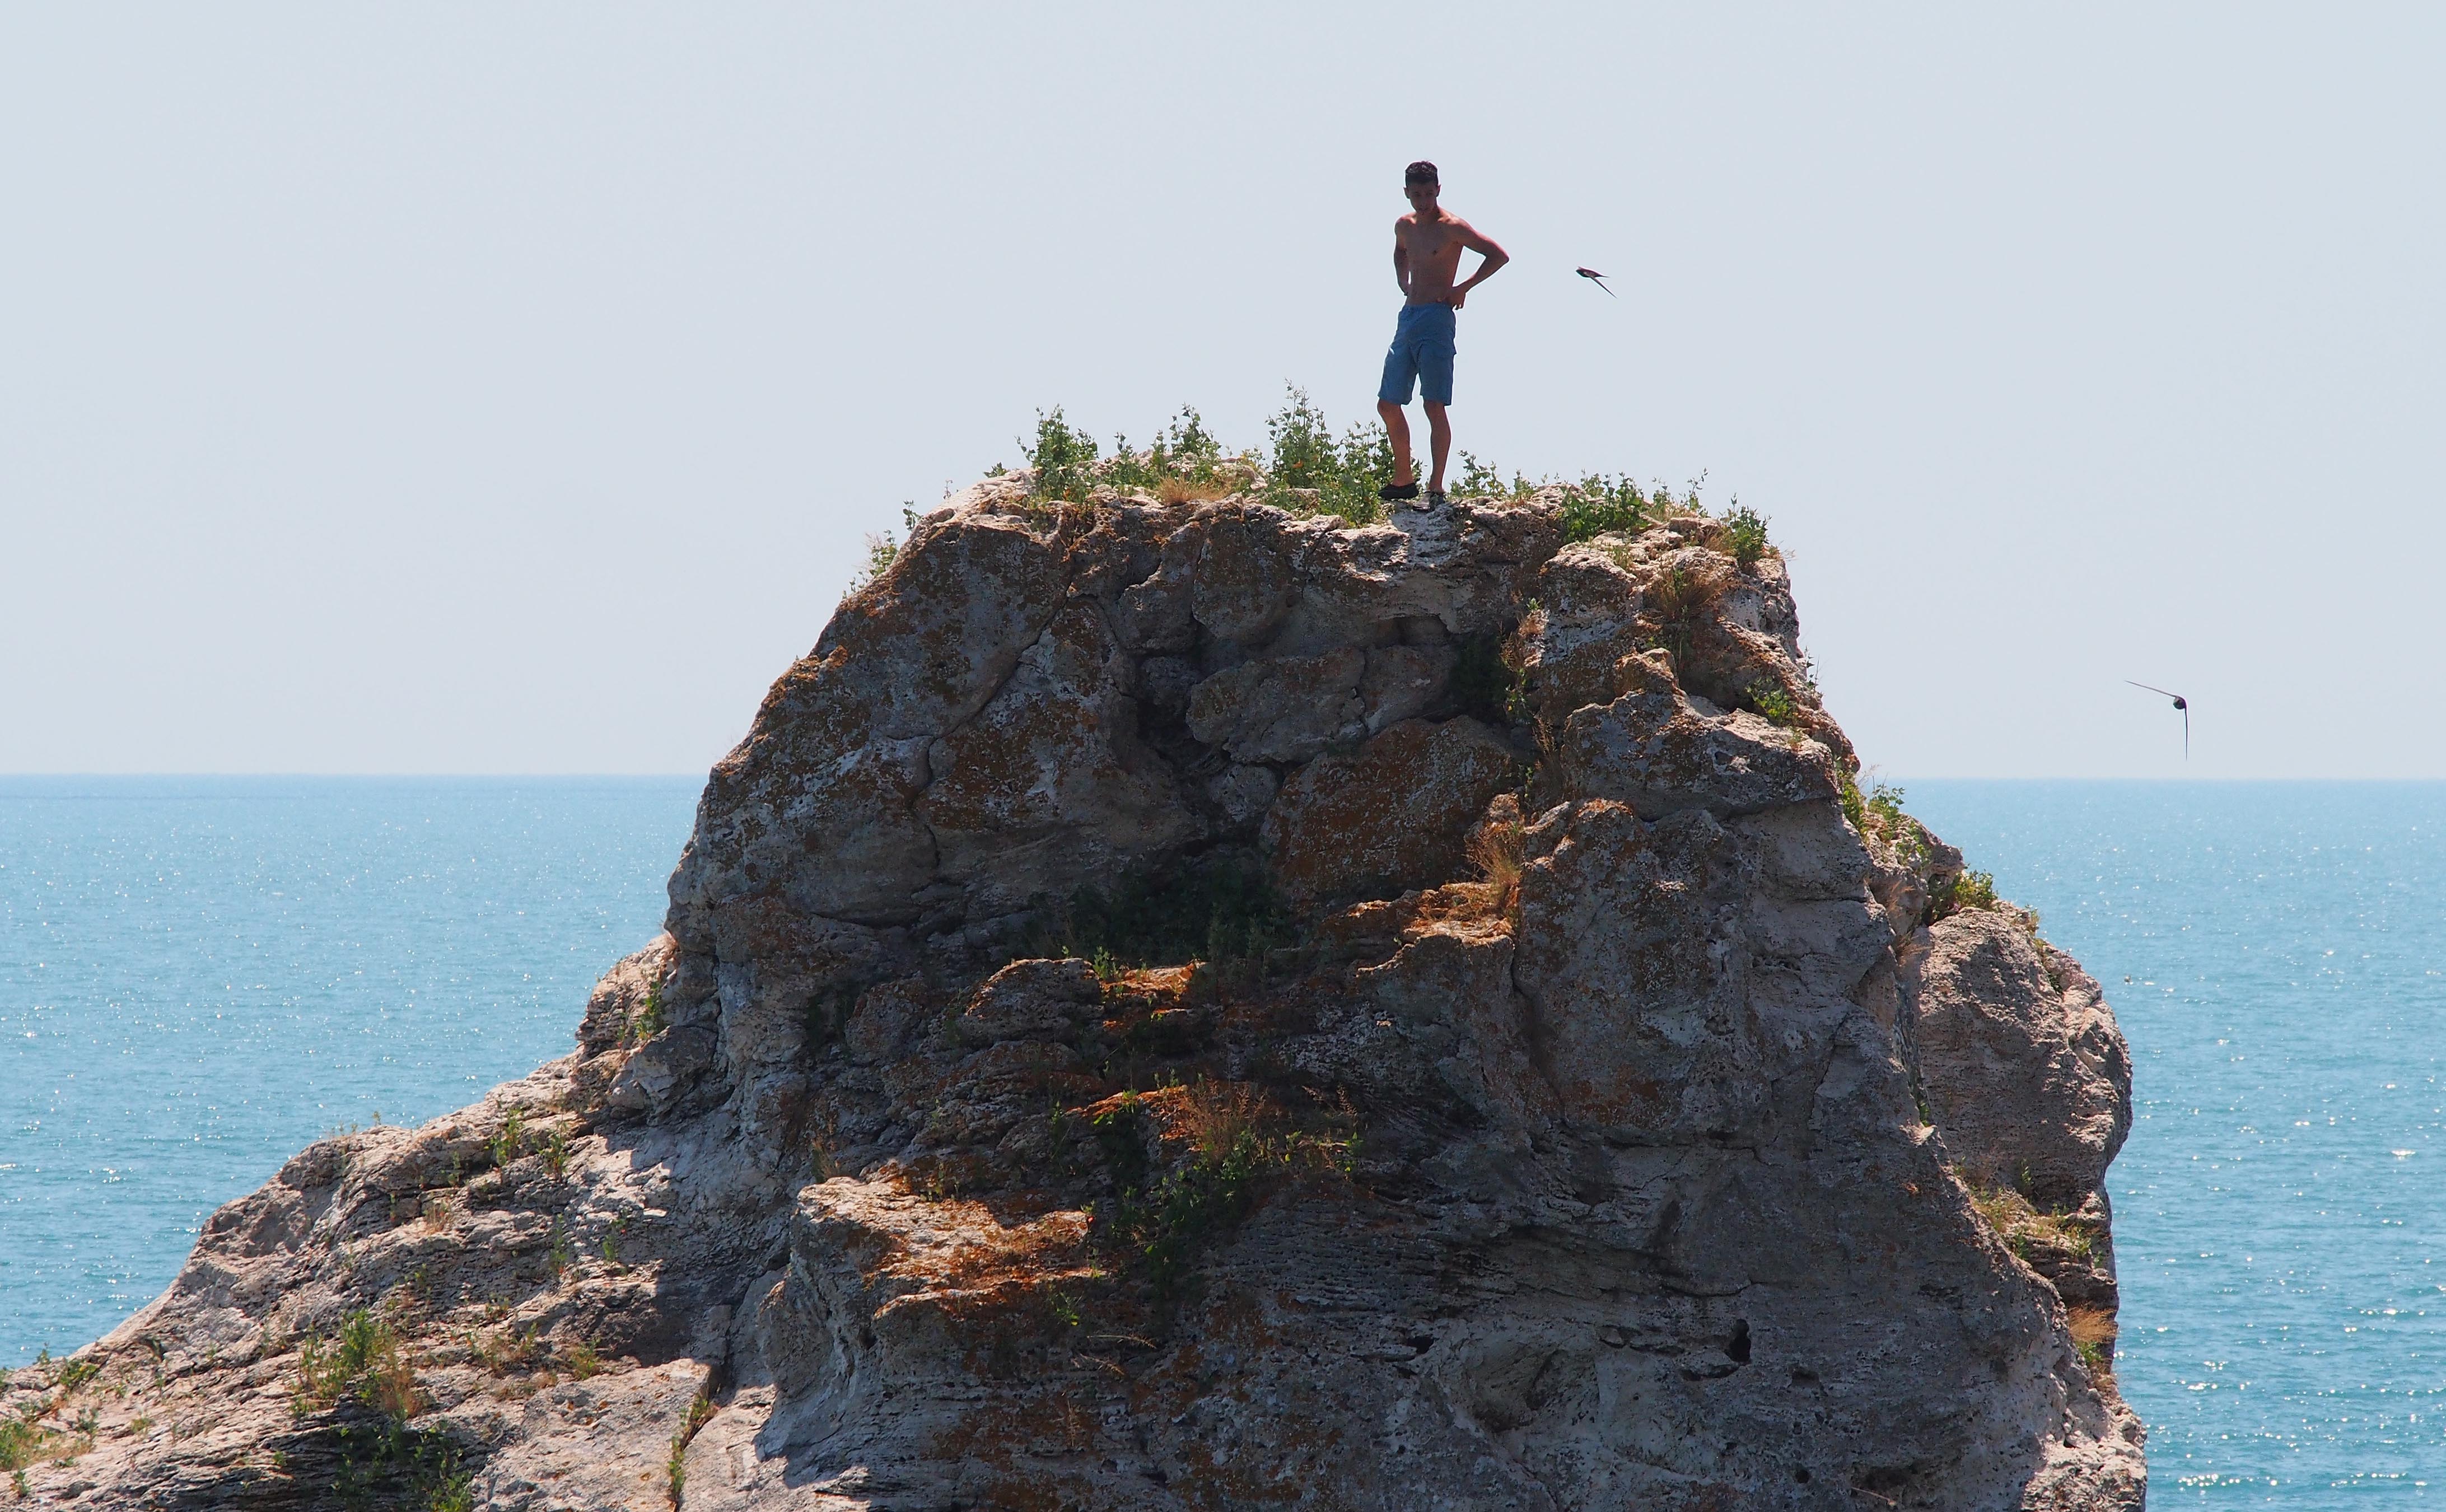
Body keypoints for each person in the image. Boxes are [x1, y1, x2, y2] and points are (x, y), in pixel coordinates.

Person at [1376, 161, 1508, 506]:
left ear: (1438, 189)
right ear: (1406, 192)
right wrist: (1401, 280)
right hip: (1409, 318)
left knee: (1433, 404)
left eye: (1429, 193)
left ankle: (1436, 484)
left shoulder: (1452, 227)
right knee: (1387, 404)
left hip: (1437, 318)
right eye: (1416, 194)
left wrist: (1463, 287)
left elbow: (1498, 255)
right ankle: (1403, 478)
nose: (1423, 200)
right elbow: (1400, 253)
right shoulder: (1404, 225)